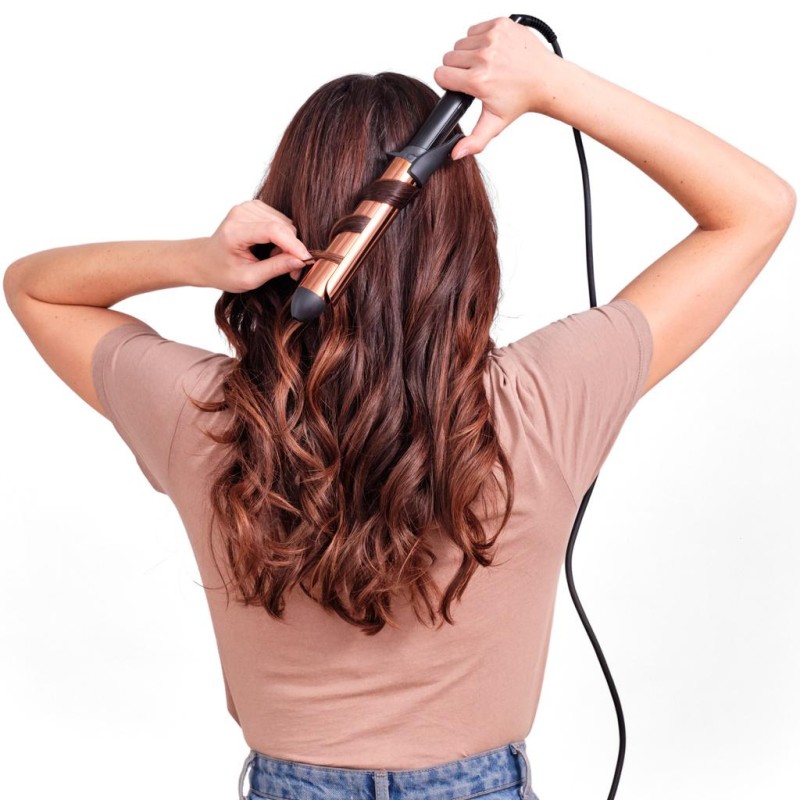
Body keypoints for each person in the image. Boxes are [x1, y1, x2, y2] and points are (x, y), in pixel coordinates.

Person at [3, 15, 794, 800]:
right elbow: (756, 208)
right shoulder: (547, 396)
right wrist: (554, 87)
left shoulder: (202, 411)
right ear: (463, 239)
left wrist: (201, 260)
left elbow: (33, 288)